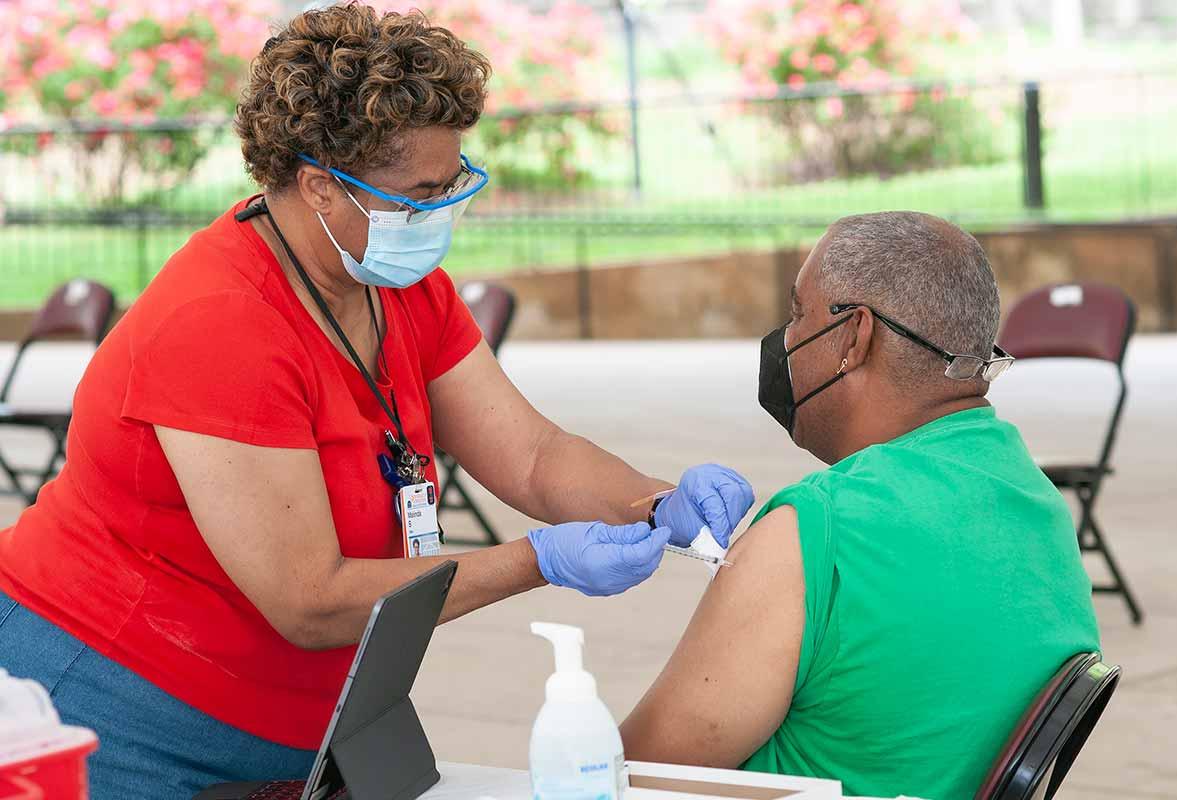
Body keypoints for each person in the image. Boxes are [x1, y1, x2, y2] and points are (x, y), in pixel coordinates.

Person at [0, 6, 753, 799]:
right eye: (418, 195)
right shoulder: (220, 325)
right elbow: (310, 601)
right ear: (321, 186)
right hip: (112, 708)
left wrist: (656, 502)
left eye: (453, 180)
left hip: (306, 721)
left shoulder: (394, 281)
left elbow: (531, 454)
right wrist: (537, 560)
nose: (440, 213)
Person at [620, 212, 1100, 800]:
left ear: (853, 337)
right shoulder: (1037, 504)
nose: (786, 340)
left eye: (799, 314)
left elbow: (630, 774)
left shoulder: (818, 529)